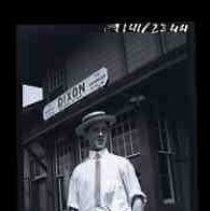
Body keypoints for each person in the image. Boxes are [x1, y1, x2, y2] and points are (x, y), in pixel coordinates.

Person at [67, 111, 147, 211]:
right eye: (95, 130)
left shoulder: (122, 164)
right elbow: (73, 207)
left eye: (104, 130)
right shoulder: (78, 172)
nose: (100, 134)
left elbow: (136, 197)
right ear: (86, 135)